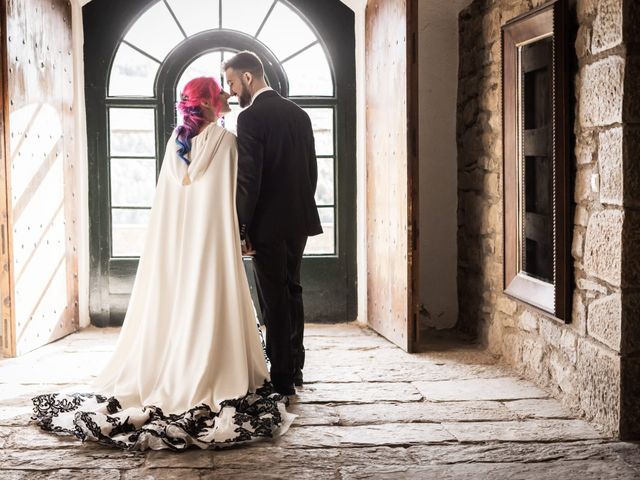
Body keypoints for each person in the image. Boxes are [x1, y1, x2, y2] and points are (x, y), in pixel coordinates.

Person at [31, 76, 295, 451]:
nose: (225, 97)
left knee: (178, 300)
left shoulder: (177, 143)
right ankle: (213, 367)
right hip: (212, 243)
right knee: (211, 297)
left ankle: (174, 359)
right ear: (206, 103)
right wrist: (242, 233)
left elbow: (171, 203)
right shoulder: (225, 142)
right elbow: (237, 193)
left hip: (179, 245)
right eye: (220, 94)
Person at [223, 51, 323, 396]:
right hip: (299, 219)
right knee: (293, 289)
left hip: (266, 222)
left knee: (273, 298)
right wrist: (301, 209)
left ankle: (280, 377)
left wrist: (241, 227)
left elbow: (250, 179)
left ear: (248, 77)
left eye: (233, 83)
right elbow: (312, 171)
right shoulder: (299, 114)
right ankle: (295, 367)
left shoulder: (250, 119)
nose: (232, 92)